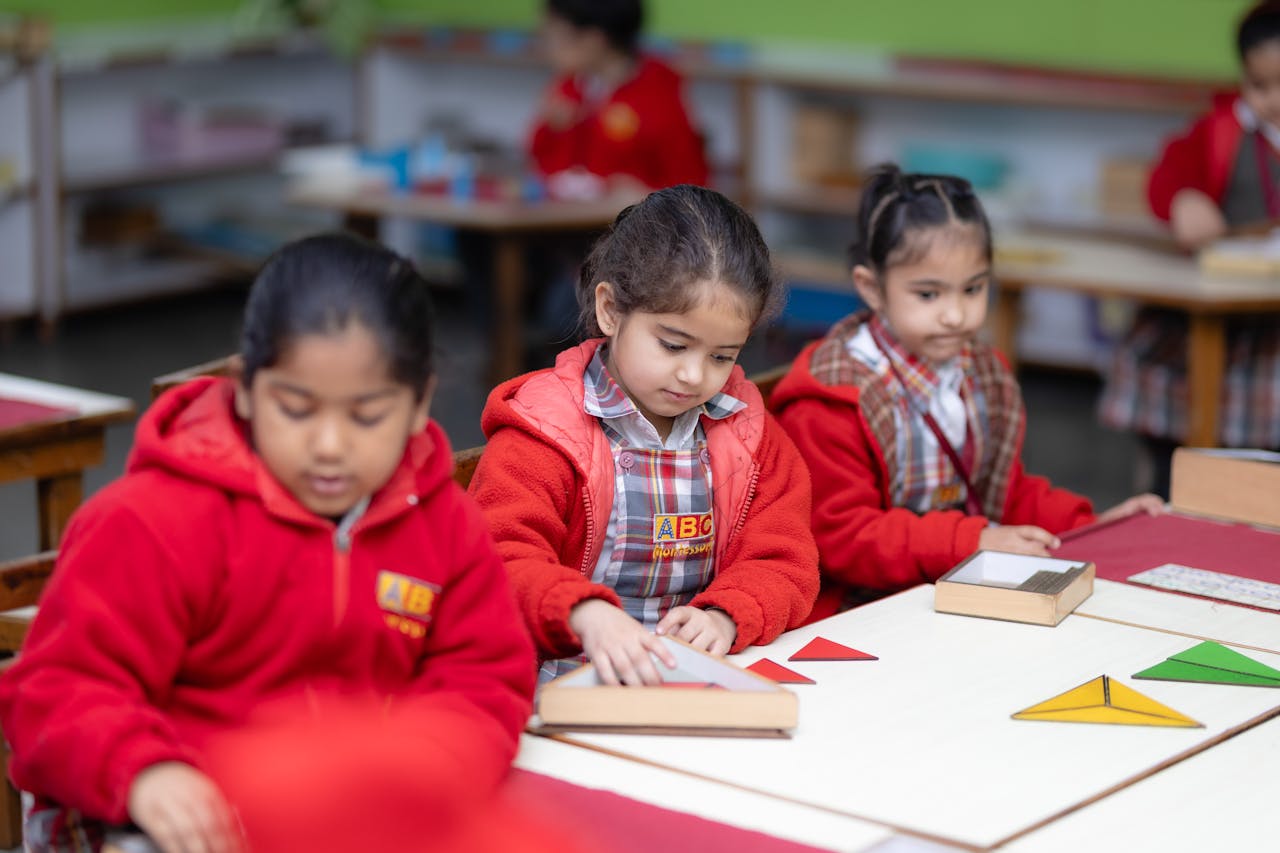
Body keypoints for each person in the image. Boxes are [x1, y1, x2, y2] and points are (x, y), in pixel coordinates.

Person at [0, 233, 535, 853]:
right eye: (296, 410)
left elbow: (483, 677)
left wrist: (424, 769)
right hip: (161, 825)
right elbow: (57, 691)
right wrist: (143, 770)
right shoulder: (152, 520)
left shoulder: (443, 524)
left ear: (420, 404)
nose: (329, 446)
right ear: (246, 389)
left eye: (367, 416)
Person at [771, 166, 1162, 621]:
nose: (956, 315)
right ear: (872, 288)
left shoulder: (978, 372)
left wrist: (1092, 528)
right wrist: (972, 541)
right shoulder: (831, 398)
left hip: (952, 586)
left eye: (973, 288)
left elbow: (1003, 493)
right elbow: (845, 539)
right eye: (929, 294)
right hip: (862, 608)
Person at [469, 185, 818, 686]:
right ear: (610, 310)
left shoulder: (748, 433)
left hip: (693, 681)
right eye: (673, 345)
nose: (694, 375)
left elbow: (785, 559)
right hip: (563, 689)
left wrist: (726, 614)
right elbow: (498, 558)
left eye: (722, 356)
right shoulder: (546, 432)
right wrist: (584, 611)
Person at [1100, 0, 1280, 494]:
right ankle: (1170, 494)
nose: (1274, 100)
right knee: (1180, 428)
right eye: (1260, 85)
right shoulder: (1221, 130)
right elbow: (1167, 174)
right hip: (1218, 317)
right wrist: (1183, 199)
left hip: (1273, 326)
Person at [529, 0, 709, 198]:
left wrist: (645, 196)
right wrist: (551, 128)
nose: (549, 48)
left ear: (594, 39)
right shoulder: (569, 86)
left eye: (556, 36)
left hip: (634, 215)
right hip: (566, 212)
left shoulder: (658, 94)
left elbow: (691, 189)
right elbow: (540, 160)